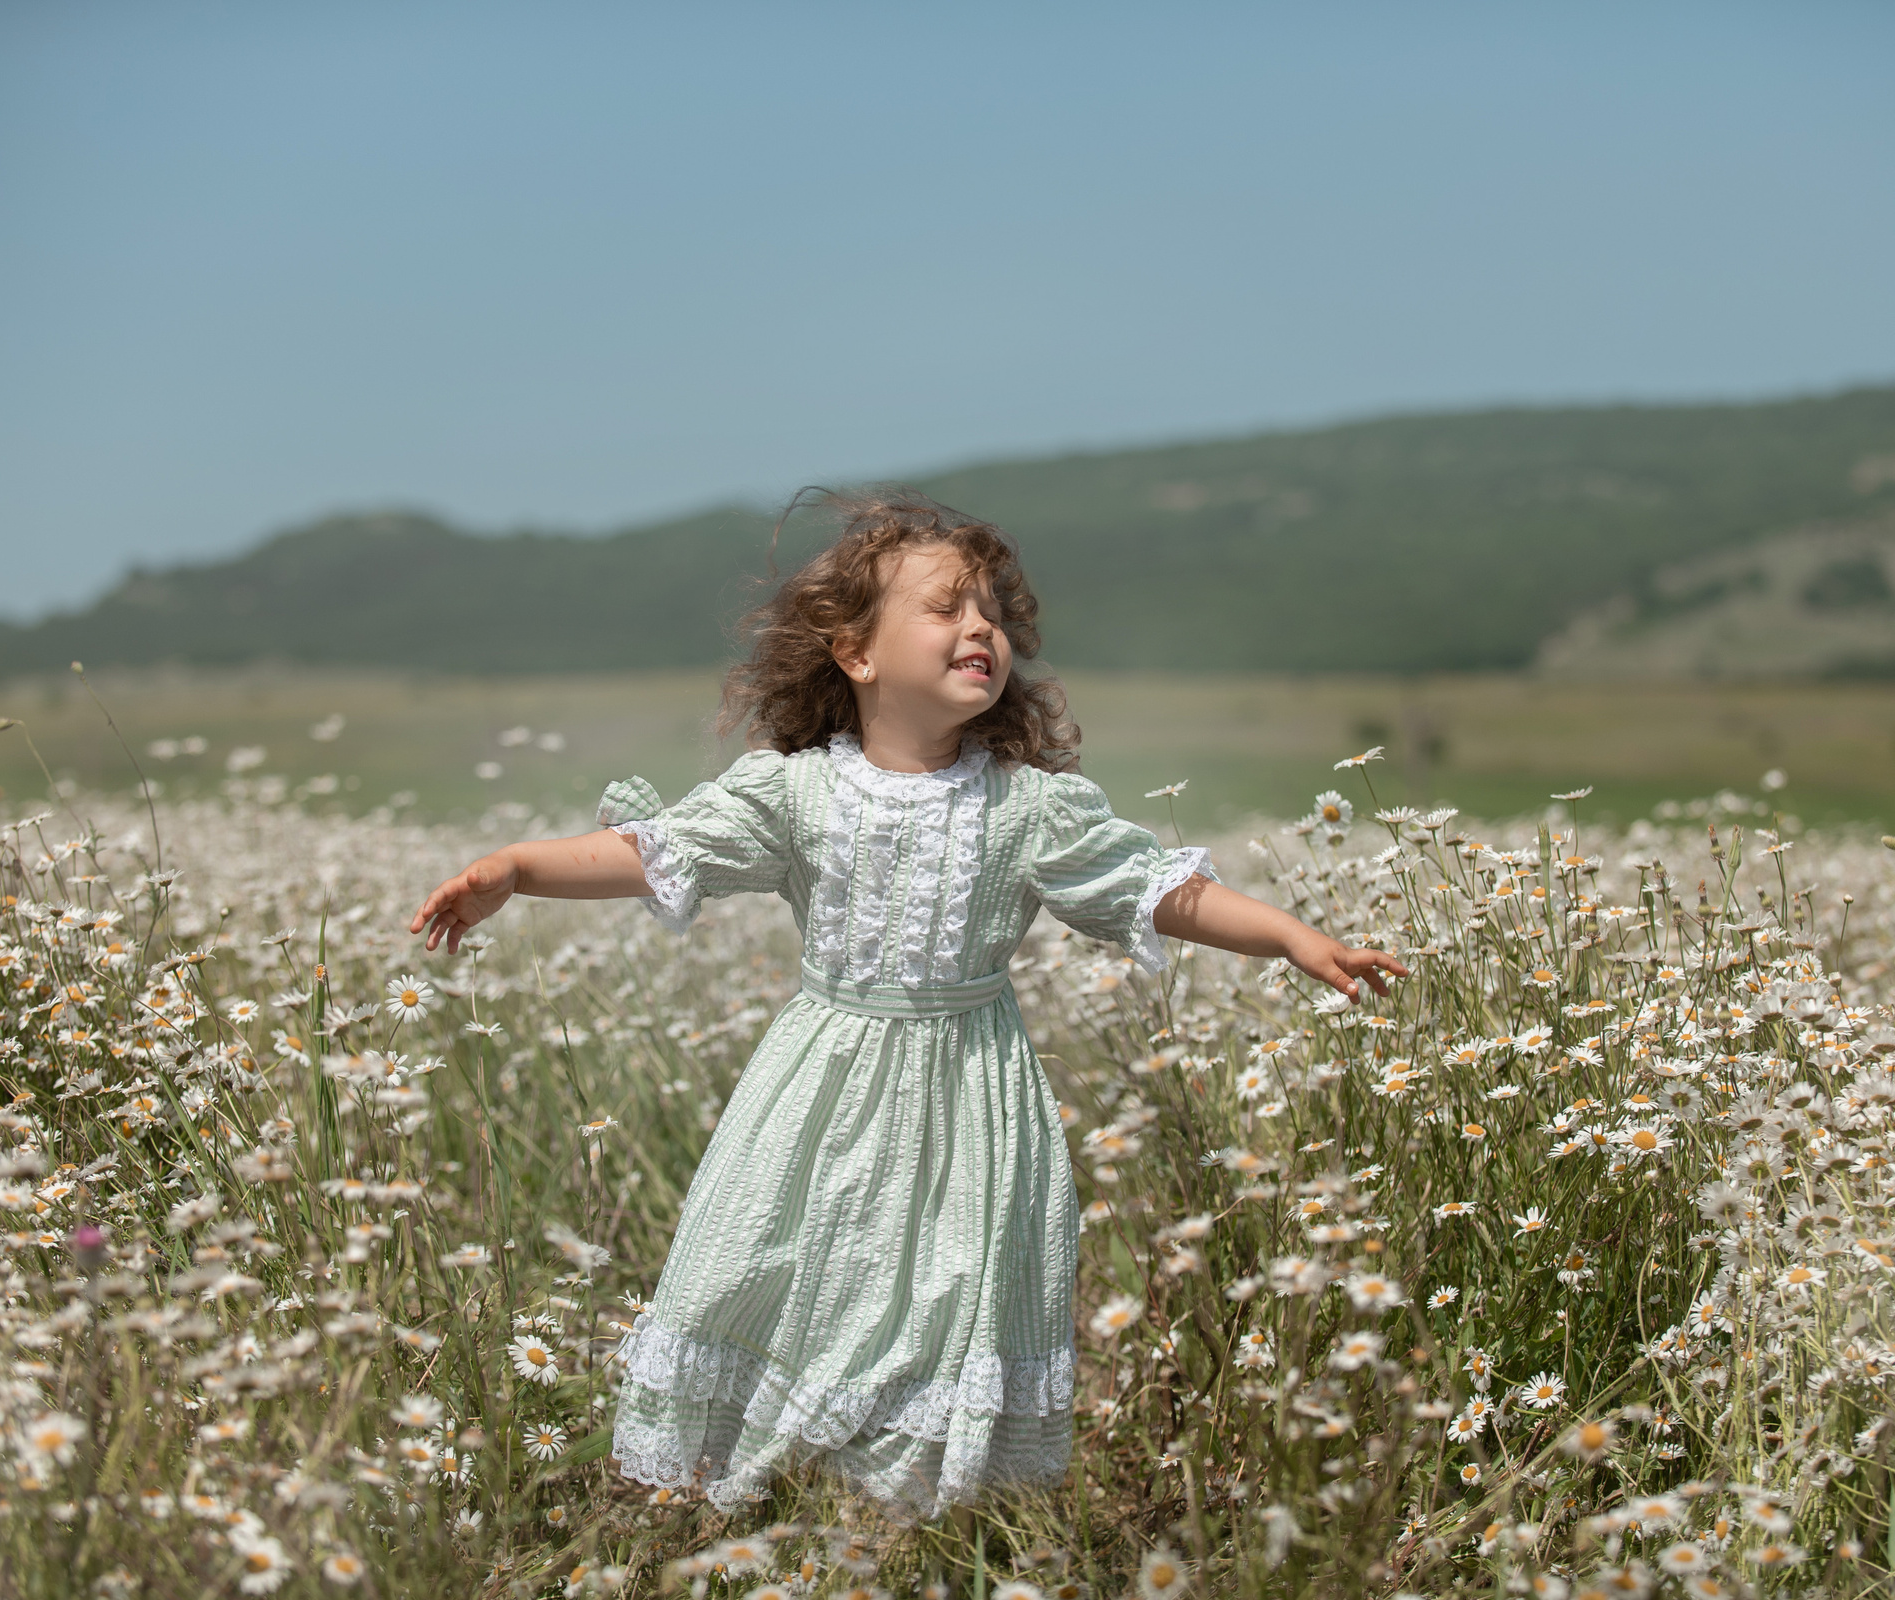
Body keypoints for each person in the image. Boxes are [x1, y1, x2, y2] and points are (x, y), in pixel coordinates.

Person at [407, 491, 1406, 1517]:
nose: (980, 629)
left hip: (970, 1100)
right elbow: (654, 853)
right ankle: (736, 1500)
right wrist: (516, 868)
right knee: (769, 1262)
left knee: (947, 1292)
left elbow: (1154, 887)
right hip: (818, 1095)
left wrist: (1291, 935)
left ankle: (917, 1520)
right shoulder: (795, 794)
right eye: (944, 608)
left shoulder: (1026, 809)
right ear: (854, 651)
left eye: (991, 614)